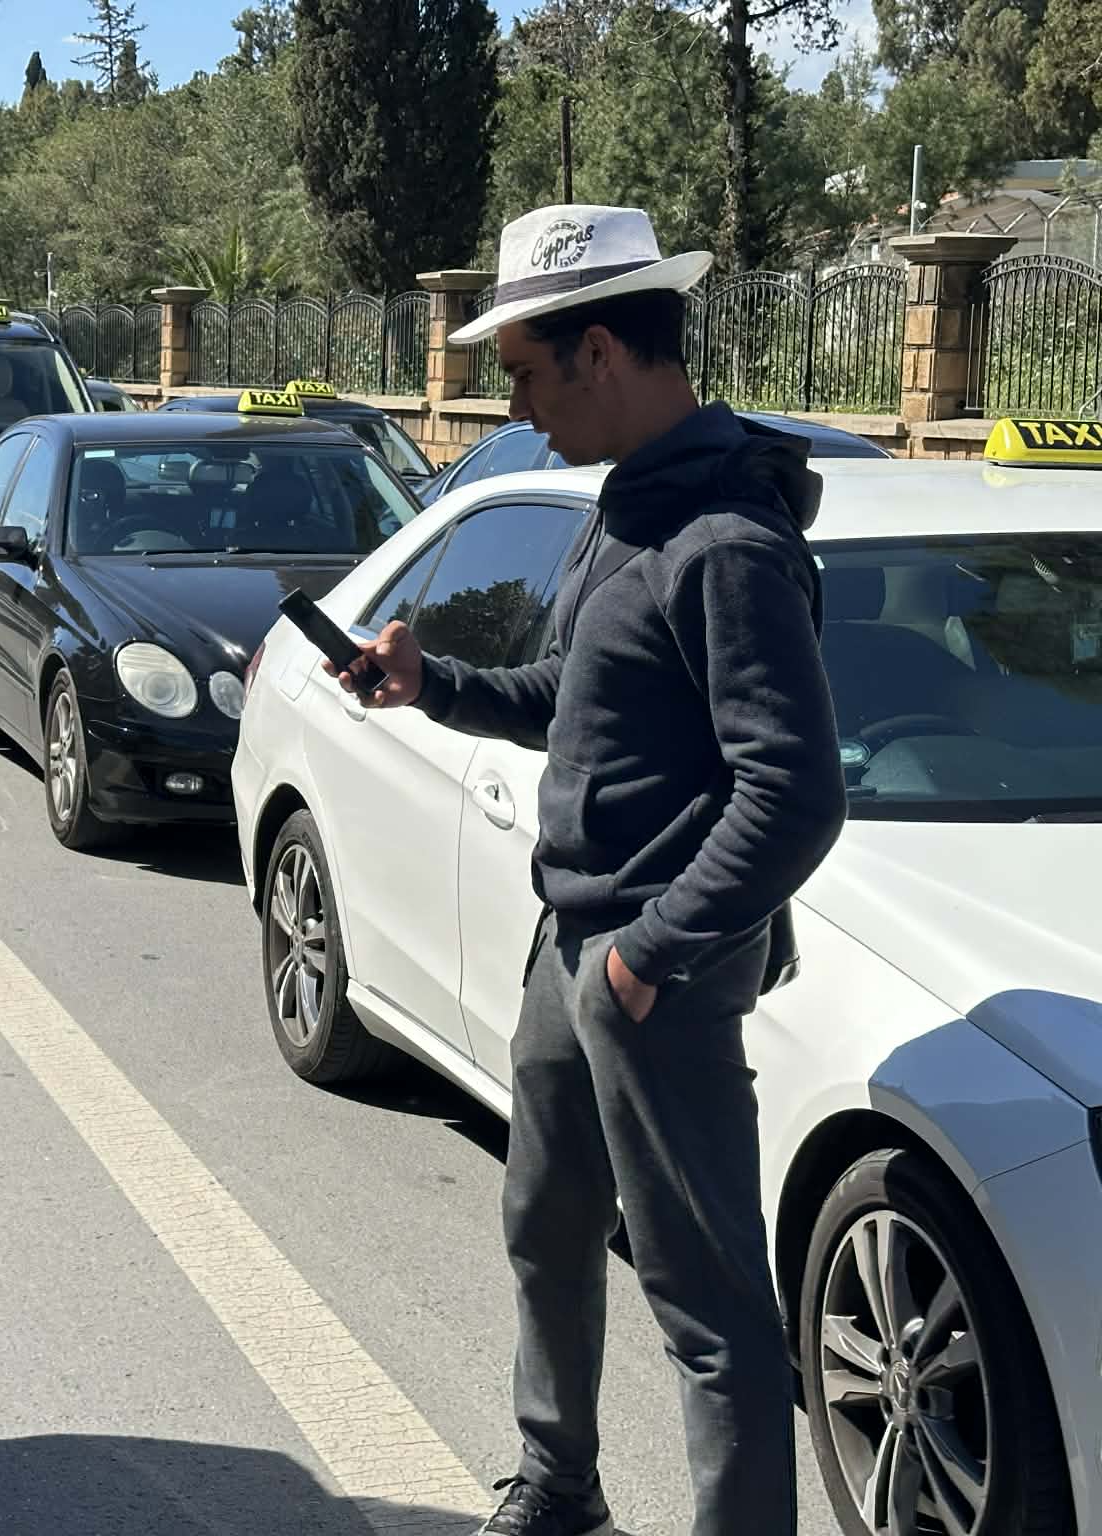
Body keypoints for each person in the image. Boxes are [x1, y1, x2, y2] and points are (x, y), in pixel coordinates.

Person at [331, 206, 847, 1536]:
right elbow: (579, 695)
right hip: (574, 951)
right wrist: (426, 681)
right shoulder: (627, 507)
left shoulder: (727, 544)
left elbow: (795, 794)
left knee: (710, 1307)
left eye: (525, 372)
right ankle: (559, 1488)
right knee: (547, 1229)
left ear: (603, 350)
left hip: (648, 976)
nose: (513, 403)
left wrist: (647, 955)